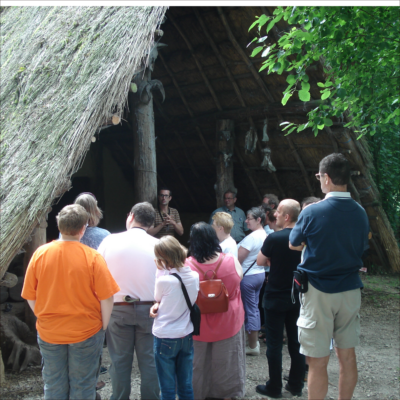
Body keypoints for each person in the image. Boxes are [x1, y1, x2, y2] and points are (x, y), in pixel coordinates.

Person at [289, 153, 369, 400]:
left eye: (319, 176)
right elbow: (363, 245)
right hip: (350, 289)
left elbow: (294, 243)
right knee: (347, 356)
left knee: (317, 361)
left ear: (326, 177)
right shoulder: (360, 212)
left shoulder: (312, 212)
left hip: (319, 291)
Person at [21, 204, 120, 400]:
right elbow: (107, 297)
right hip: (86, 330)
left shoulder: (40, 254)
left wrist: (41, 315)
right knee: (83, 385)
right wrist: (104, 324)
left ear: (59, 225)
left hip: (50, 330)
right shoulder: (93, 257)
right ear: (84, 228)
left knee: (53, 384)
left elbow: (29, 295)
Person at [98, 202, 160, 400]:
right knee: (150, 362)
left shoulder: (109, 241)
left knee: (118, 362)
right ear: (150, 224)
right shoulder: (159, 245)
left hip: (117, 308)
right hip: (150, 309)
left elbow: (97, 276)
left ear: (131, 216)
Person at [186, 222, 245, 400]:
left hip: (198, 322)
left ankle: (198, 393)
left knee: (197, 362)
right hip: (228, 319)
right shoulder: (230, 260)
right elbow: (239, 278)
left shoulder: (187, 265)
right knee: (228, 361)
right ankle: (228, 394)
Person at [255, 200, 306, 398]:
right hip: (297, 295)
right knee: (296, 341)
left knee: (274, 343)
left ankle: (274, 386)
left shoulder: (275, 238)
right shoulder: (304, 239)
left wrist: (271, 259)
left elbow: (260, 261)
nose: (274, 214)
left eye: (278, 211)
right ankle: (295, 385)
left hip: (275, 295)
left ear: (286, 216)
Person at [150, 236, 199, 400]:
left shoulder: (164, 281)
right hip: (186, 334)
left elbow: (158, 299)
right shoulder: (194, 276)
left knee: (167, 388)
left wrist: (155, 307)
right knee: (186, 385)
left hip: (165, 335)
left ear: (163, 259)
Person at [74, 192, 111, 388]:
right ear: (95, 211)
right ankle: (93, 378)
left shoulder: (69, 237)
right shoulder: (104, 236)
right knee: (94, 338)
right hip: (96, 294)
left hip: (74, 293)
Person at [237, 207, 267, 356]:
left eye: (249, 218)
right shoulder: (264, 235)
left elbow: (238, 260)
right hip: (259, 274)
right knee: (254, 308)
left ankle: (253, 345)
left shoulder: (253, 237)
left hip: (248, 277)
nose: (246, 221)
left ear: (258, 220)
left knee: (250, 310)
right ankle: (253, 343)